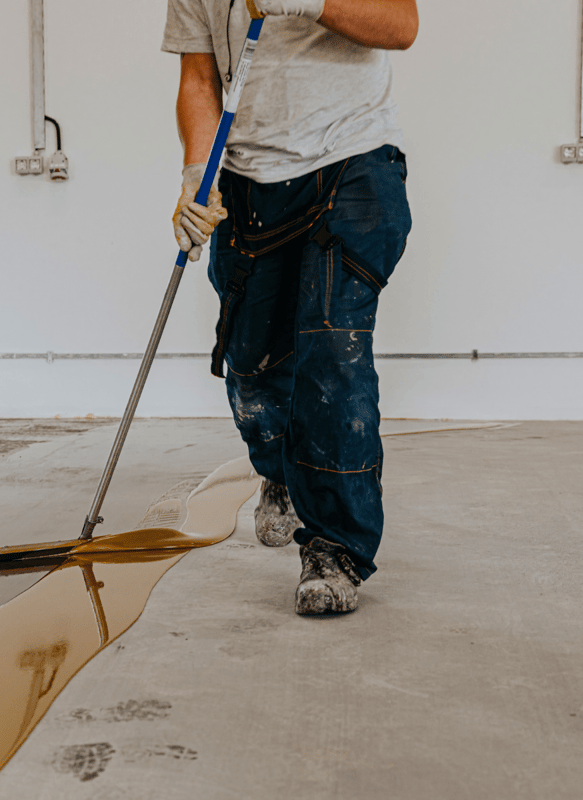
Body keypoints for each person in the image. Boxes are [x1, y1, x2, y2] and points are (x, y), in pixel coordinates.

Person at [163, 0, 417, 615]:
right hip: (250, 179)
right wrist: (199, 175)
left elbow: (402, 26)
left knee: (333, 350)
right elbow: (199, 77)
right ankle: (281, 469)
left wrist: (311, 1)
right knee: (251, 362)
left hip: (351, 159)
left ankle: (336, 547)